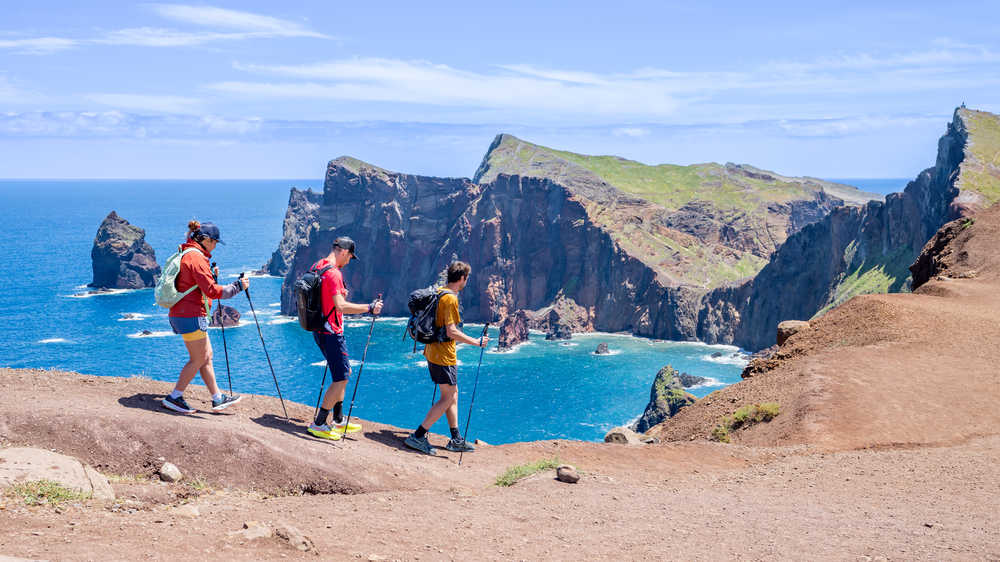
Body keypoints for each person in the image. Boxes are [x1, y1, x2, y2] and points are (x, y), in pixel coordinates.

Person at [162, 220, 249, 414]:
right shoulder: (196, 258)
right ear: (206, 240)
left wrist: (211, 275)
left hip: (185, 313)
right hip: (190, 315)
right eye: (215, 242)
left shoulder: (189, 253)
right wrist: (237, 287)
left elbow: (198, 284)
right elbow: (212, 290)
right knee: (198, 358)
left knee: (206, 356)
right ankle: (174, 397)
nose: (216, 246)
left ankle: (217, 398)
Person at [404, 261, 488, 455]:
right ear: (462, 278)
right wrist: (476, 342)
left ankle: (456, 438)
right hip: (444, 355)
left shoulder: (440, 291)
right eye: (466, 278)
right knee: (447, 397)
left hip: (432, 351)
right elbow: (451, 332)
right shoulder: (450, 299)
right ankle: (418, 436)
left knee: (453, 393)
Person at [308, 236, 383, 440]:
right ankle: (319, 423)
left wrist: (339, 295)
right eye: (350, 256)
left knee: (344, 371)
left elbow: (327, 297)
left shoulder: (318, 266)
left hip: (320, 328)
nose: (349, 261)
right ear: (342, 251)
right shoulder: (334, 273)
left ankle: (339, 420)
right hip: (332, 332)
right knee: (341, 377)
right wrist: (369, 308)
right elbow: (340, 306)